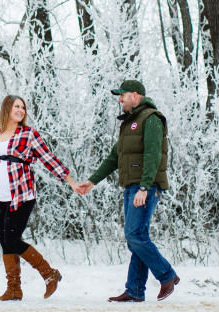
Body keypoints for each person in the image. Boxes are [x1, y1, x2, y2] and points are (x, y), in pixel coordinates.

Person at [77, 79, 179, 302]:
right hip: (132, 185)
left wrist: (144, 187)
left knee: (134, 236)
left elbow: (153, 155)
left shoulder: (151, 119)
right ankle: (134, 290)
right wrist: (92, 181)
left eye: (122, 95)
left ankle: (167, 275)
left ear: (135, 95)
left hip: (145, 186)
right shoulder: (130, 123)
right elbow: (115, 157)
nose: (120, 100)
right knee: (137, 237)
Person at [0, 94, 80, 301]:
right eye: (16, 106)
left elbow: (48, 159)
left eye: (23, 107)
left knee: (12, 239)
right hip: (2, 196)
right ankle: (13, 289)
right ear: (7, 109)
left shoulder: (28, 134)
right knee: (4, 241)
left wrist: (71, 181)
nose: (21, 110)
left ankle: (49, 273)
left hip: (22, 195)